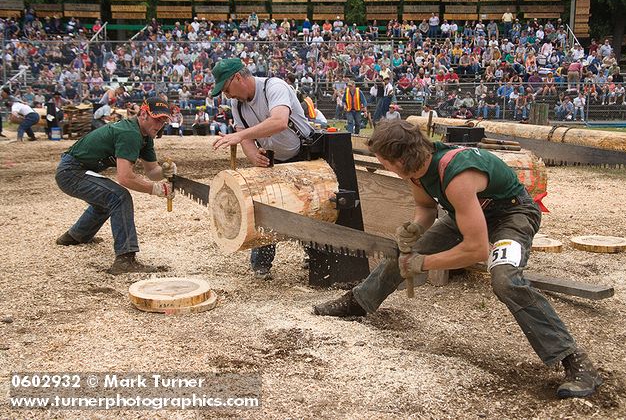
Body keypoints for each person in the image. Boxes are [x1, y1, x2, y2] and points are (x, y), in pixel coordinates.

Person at [313, 120, 603, 399]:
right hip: (465, 213)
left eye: (384, 161)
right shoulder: (416, 170)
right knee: (403, 253)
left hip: (511, 214)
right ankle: (358, 301)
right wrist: (413, 233)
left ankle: (573, 359)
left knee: (505, 279)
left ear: (399, 159)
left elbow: (476, 250)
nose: (384, 165)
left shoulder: (457, 175)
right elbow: (425, 208)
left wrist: (422, 264)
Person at [210, 58, 314, 280]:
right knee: (266, 208)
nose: (227, 95)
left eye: (227, 89)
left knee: (310, 209)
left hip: (305, 156)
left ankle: (314, 256)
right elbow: (243, 133)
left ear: (238, 77)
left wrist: (239, 137)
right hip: (273, 158)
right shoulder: (237, 105)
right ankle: (261, 265)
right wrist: (251, 154)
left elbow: (279, 122)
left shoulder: (273, 87)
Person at [55, 96, 176, 274]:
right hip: (70, 172)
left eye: (164, 120)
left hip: (78, 169)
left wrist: (165, 171)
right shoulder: (130, 133)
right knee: (119, 196)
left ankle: (74, 236)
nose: (160, 125)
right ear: (143, 114)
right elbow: (125, 178)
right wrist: (156, 189)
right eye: (157, 119)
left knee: (106, 200)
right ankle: (125, 260)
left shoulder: (145, 136)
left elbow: (152, 171)